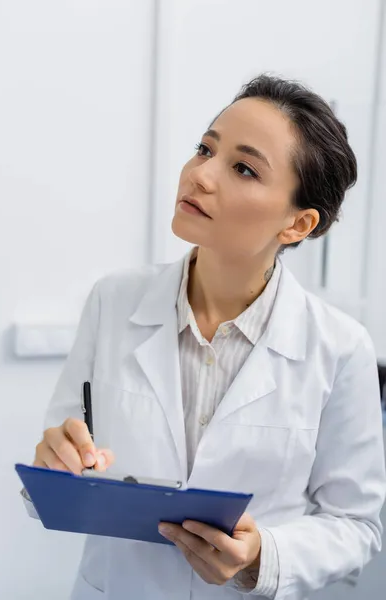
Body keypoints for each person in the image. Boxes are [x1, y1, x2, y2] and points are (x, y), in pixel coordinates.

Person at [24, 75, 386, 600]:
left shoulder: (342, 349)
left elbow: (357, 527)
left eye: (243, 168)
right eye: (205, 148)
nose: (200, 174)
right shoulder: (113, 300)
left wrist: (262, 558)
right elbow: (57, 479)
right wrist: (54, 468)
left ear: (297, 223)